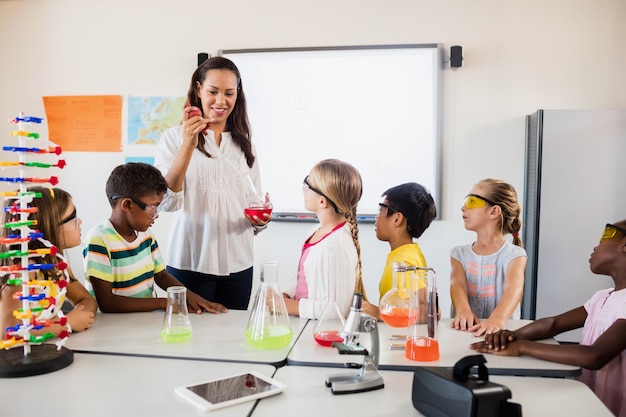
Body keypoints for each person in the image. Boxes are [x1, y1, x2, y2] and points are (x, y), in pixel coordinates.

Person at [471, 220, 626, 417]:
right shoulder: (602, 297)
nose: (596, 245)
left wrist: (521, 347)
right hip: (592, 400)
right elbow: (553, 324)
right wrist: (511, 336)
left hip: (615, 406)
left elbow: (594, 356)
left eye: (605, 235)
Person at [154, 56, 269, 310]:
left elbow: (253, 201)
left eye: (229, 93)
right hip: (190, 260)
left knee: (231, 340)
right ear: (198, 89)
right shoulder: (173, 138)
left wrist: (260, 219)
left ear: (238, 93)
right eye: (213, 92)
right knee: (189, 341)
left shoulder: (244, 144)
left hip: (238, 262)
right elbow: (166, 203)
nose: (221, 101)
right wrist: (188, 143)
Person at [83, 162, 227, 314]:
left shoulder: (145, 234)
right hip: (112, 326)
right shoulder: (98, 239)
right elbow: (107, 303)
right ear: (127, 205)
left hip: (146, 319)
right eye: (152, 207)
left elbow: (161, 275)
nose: (156, 215)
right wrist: (165, 303)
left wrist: (189, 297)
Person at [0, 187, 97, 336]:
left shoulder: (55, 263)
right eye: (73, 218)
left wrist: (80, 316)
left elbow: (86, 299)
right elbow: (7, 333)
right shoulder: (23, 273)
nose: (80, 221)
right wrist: (66, 324)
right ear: (48, 227)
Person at [282, 159, 365, 319]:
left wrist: (287, 306)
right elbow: (303, 276)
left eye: (308, 183)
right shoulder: (314, 232)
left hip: (315, 331)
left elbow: (336, 311)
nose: (303, 188)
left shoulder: (336, 246)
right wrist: (285, 295)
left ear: (322, 201)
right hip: (302, 324)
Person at [450, 178, 526, 336]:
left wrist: (497, 319)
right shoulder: (458, 254)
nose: (463, 207)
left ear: (494, 212)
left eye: (471, 201)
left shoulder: (515, 255)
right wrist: (463, 311)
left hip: (501, 335)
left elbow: (514, 288)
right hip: (464, 333)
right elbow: (457, 284)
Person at [361, 182, 437, 320]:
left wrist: (378, 313)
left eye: (380, 211)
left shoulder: (404, 259)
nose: (376, 217)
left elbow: (426, 311)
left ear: (397, 219)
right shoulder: (407, 252)